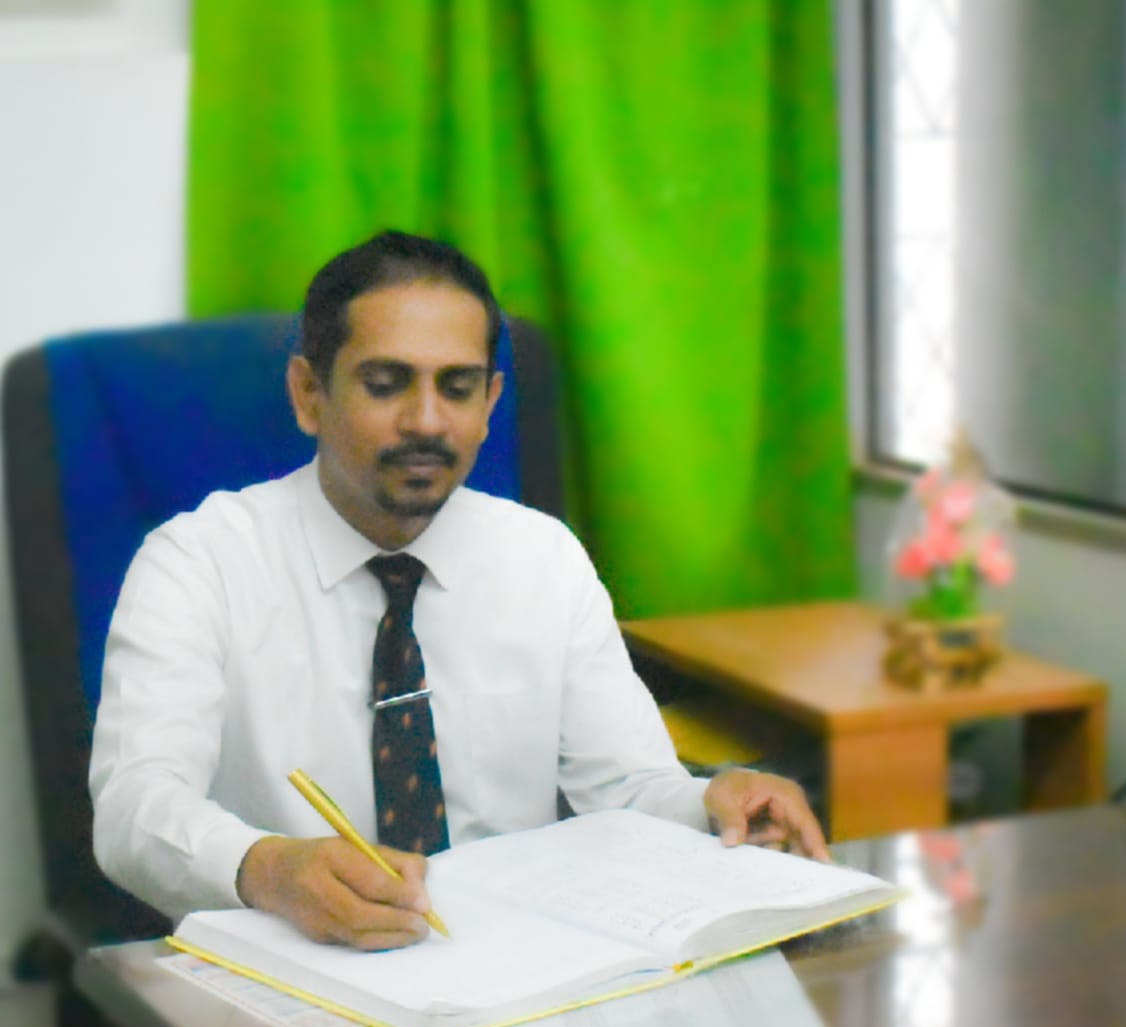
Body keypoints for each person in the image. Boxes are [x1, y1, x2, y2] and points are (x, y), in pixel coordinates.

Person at [89, 230, 826, 951]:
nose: (426, 422)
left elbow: (628, 789)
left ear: (490, 401)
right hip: (299, 965)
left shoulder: (543, 559)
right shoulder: (199, 563)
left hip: (513, 967)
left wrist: (712, 803)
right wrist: (268, 868)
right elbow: (134, 806)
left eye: (458, 387)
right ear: (309, 394)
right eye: (386, 384)